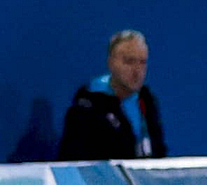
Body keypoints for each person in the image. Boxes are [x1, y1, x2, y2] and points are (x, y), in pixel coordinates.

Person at [61, 30, 166, 160]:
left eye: (142, 62)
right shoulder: (86, 109)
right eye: (129, 61)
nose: (137, 70)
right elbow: (73, 163)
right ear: (111, 63)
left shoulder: (147, 102)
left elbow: (158, 152)